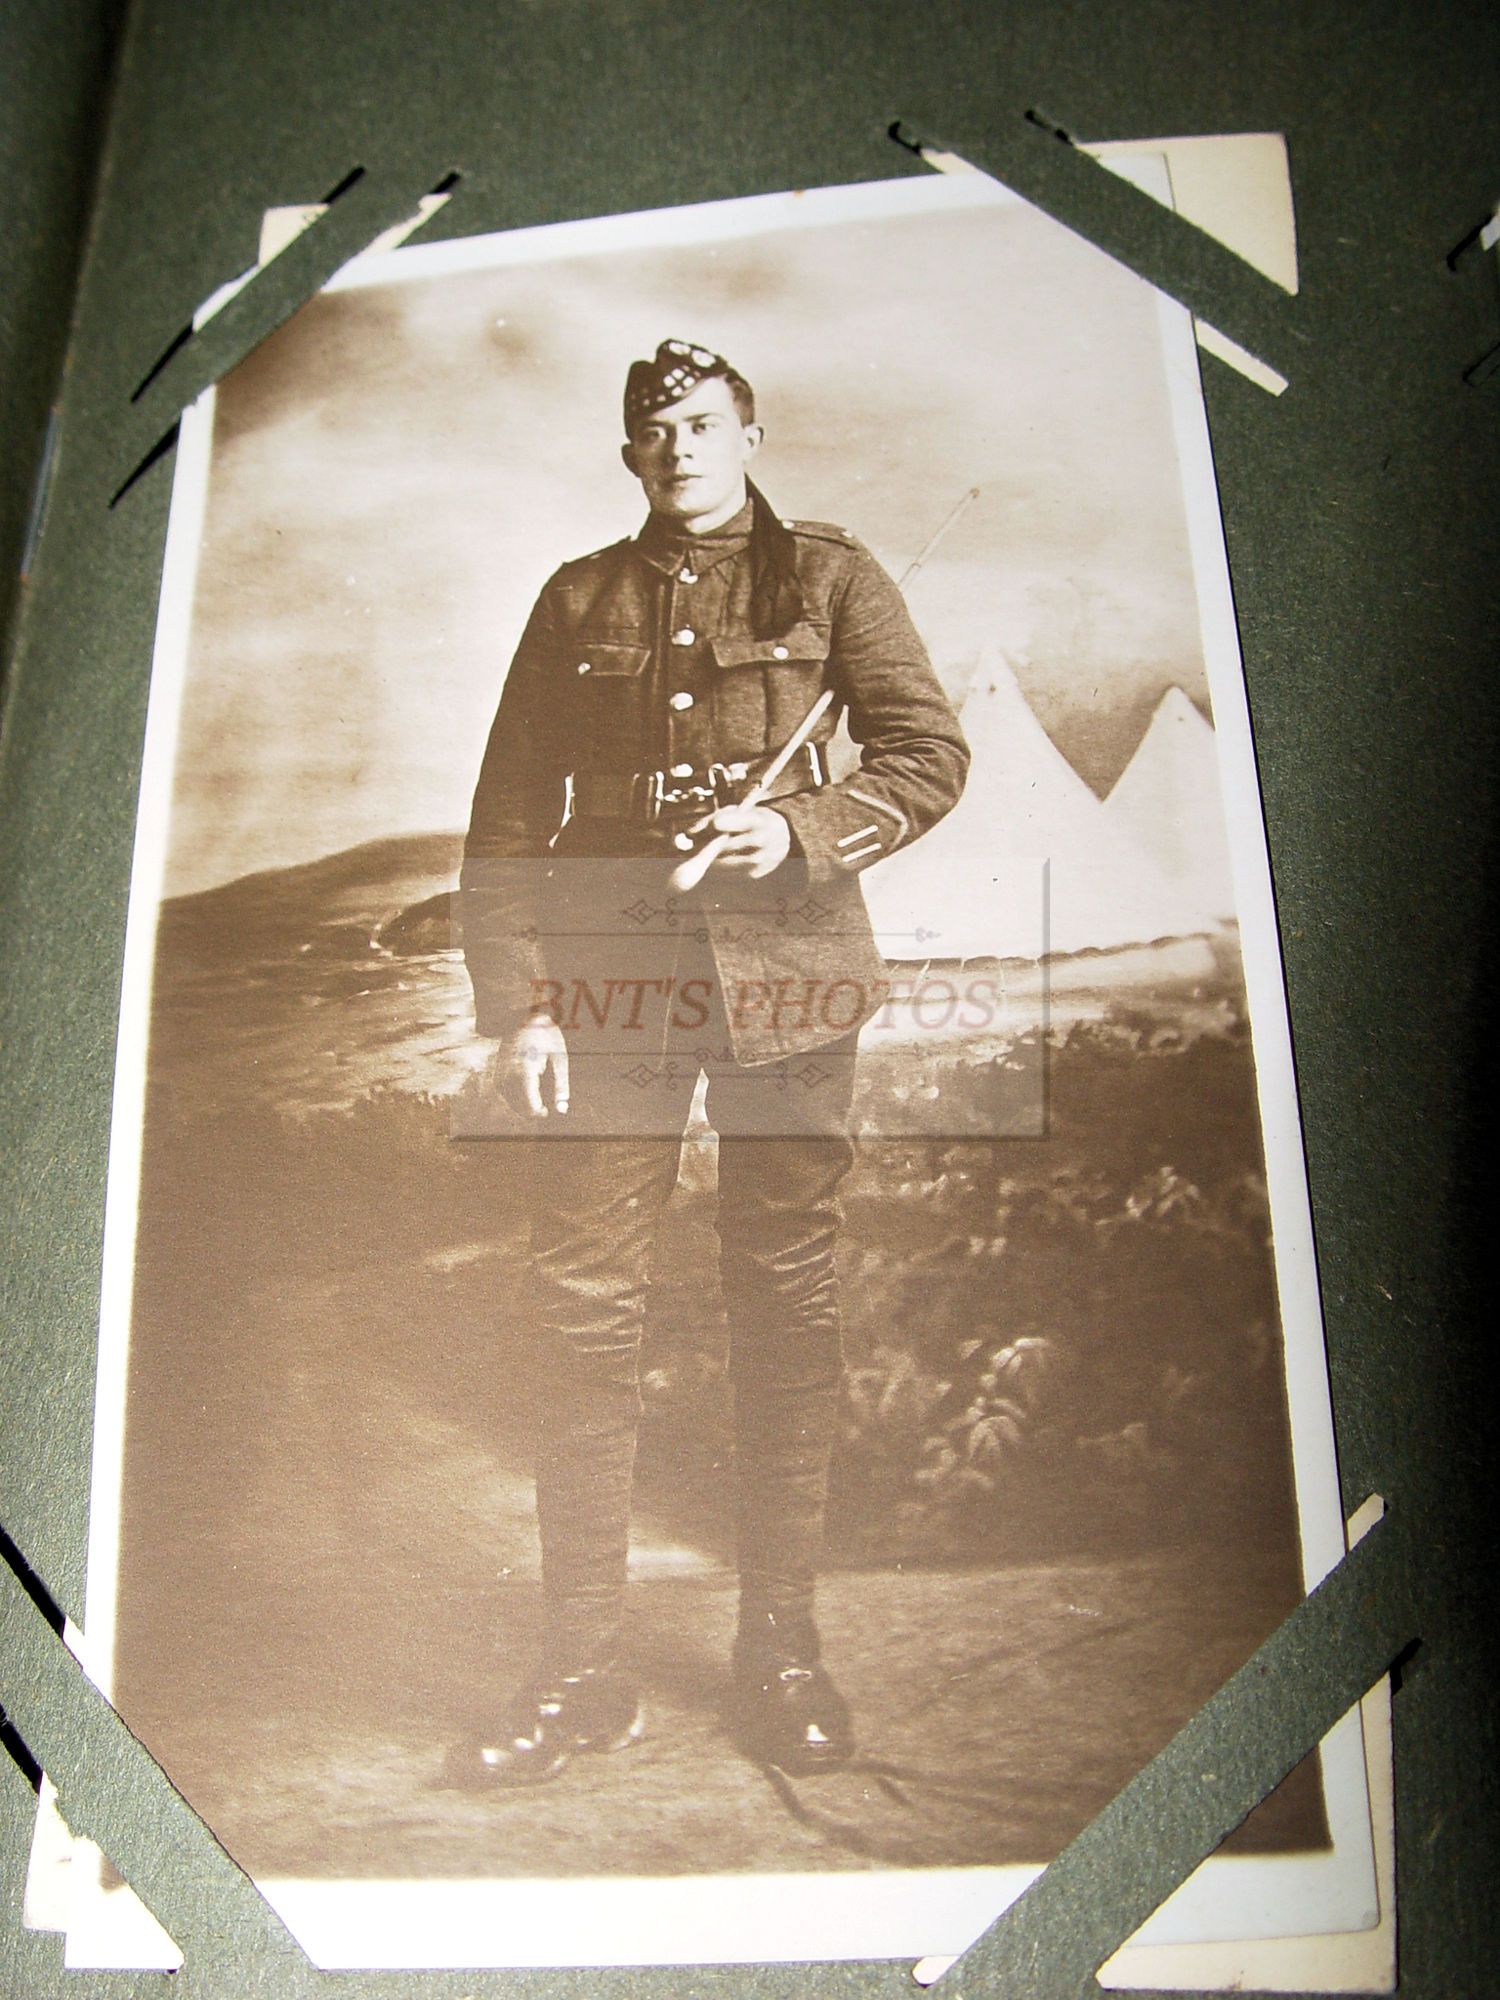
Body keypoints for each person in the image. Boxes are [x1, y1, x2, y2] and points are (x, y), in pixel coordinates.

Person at [454, 339, 967, 1785]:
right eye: (652, 431)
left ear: (749, 431)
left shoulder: (832, 579)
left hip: (791, 980)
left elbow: (928, 756)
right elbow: (504, 821)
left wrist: (796, 834)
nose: (677, 447)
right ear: (629, 457)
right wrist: (524, 1006)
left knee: (786, 1302)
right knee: (582, 1306)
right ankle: (582, 1672)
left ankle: (784, 1653)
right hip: (608, 983)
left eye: (700, 422)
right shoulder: (578, 599)